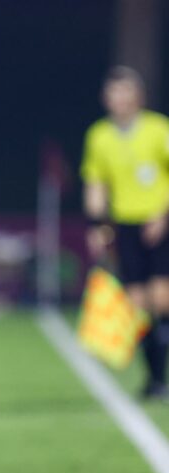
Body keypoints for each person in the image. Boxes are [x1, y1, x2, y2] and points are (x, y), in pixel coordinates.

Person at [82, 66, 169, 399]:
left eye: (127, 92)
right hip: (128, 225)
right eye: (115, 93)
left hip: (161, 220)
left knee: (161, 297)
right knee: (137, 304)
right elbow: (96, 183)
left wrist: (162, 215)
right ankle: (155, 379)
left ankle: (159, 378)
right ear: (107, 99)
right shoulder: (99, 136)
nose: (121, 99)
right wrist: (95, 225)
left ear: (139, 97)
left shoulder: (158, 129)